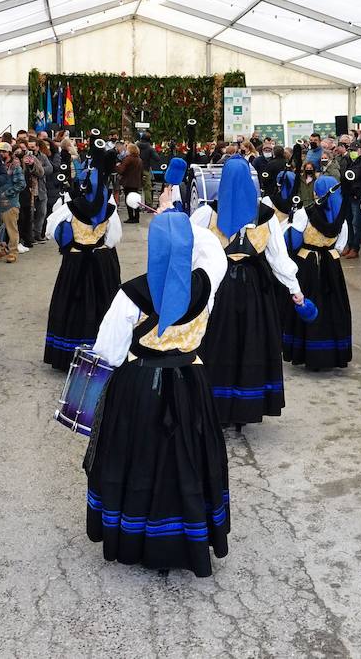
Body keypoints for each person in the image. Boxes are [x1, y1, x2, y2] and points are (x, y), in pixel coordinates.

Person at [85, 211, 229, 577]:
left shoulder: (131, 293)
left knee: (137, 457)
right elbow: (215, 255)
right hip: (189, 384)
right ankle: (188, 536)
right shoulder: (207, 285)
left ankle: (137, 536)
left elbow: (108, 350)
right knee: (189, 459)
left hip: (140, 386)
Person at [191, 156, 303, 428]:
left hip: (217, 287)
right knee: (250, 343)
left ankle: (216, 405)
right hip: (255, 290)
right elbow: (279, 259)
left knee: (218, 344)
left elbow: (191, 253)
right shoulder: (267, 217)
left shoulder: (207, 214)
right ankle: (244, 406)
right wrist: (294, 288)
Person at [42, 149, 122, 371]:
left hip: (75, 264)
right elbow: (114, 238)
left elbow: (51, 231)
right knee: (100, 306)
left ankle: (66, 354)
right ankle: (98, 352)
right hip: (99, 263)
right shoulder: (110, 211)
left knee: (70, 306)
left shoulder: (69, 208)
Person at [282, 176, 351, 370]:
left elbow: (293, 242)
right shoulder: (340, 217)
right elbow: (340, 245)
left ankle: (305, 352)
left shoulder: (305, 213)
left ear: (316, 193)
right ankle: (333, 353)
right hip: (331, 263)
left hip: (308, 262)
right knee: (334, 305)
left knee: (307, 303)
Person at [0, 144, 24, 263]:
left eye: (3, 152)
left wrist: (6, 194)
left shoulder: (16, 166)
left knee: (11, 229)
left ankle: (13, 252)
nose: (1, 154)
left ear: (9, 153)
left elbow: (21, 184)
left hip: (10, 203)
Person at [116, 143, 143, 224]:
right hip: (136, 182)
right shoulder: (139, 159)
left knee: (129, 200)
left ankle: (131, 217)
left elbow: (121, 170)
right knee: (136, 200)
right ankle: (137, 217)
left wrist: (117, 166)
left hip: (128, 182)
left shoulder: (128, 159)